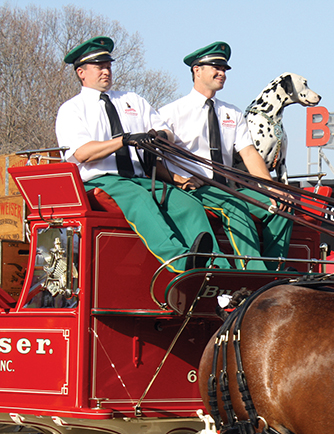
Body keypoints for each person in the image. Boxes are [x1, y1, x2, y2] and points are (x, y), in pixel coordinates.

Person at [55, 36, 229, 272]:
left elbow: (166, 132)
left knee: (186, 204)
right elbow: (82, 153)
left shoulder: (132, 99)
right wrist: (123, 140)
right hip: (103, 180)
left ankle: (216, 265)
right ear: (81, 73)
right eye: (99, 67)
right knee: (140, 200)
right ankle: (180, 263)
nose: (106, 72)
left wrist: (156, 136)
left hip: (143, 178)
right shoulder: (72, 109)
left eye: (108, 66)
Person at [159, 41, 293, 271]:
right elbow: (155, 160)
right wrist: (177, 180)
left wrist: (271, 188)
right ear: (196, 70)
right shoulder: (170, 113)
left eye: (224, 69)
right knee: (234, 205)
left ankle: (274, 276)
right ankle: (254, 275)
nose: (222, 73)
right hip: (193, 190)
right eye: (215, 67)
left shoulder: (232, 112)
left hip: (227, 189)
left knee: (283, 205)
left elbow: (249, 154)